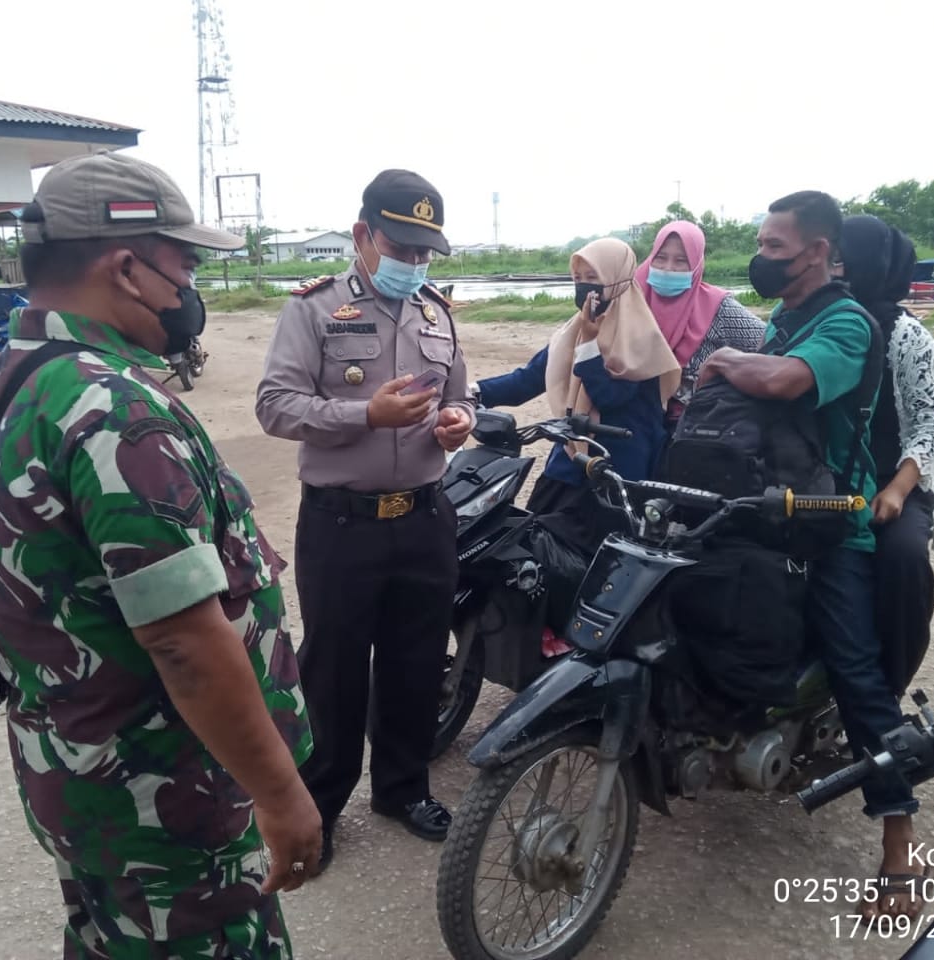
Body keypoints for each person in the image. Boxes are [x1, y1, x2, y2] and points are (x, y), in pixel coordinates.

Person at [0, 152, 320, 959]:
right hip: (166, 803)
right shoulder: (116, 409)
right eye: (182, 264)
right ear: (126, 267)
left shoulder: (3, 378)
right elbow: (184, 643)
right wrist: (282, 792)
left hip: (77, 777)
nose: (189, 290)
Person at [697, 191, 926, 921]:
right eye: (760, 246)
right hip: (774, 508)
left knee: (857, 672)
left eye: (775, 248)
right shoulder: (788, 316)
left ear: (821, 252)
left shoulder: (848, 323)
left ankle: (900, 846)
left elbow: (783, 381)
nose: (762, 259)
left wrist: (728, 354)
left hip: (835, 525)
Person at [255, 169, 475, 872]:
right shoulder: (314, 311)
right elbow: (275, 406)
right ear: (362, 236)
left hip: (422, 517)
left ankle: (403, 789)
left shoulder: (437, 314)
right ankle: (320, 806)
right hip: (341, 524)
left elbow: (461, 399)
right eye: (400, 247)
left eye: (423, 253)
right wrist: (364, 415)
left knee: (416, 664)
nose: (413, 264)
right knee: (335, 671)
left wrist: (455, 424)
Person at [471, 236, 680, 554]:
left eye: (593, 278)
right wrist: (473, 393)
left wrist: (590, 345)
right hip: (570, 461)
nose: (584, 288)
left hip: (618, 477)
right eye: (577, 279)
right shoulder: (574, 331)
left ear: (617, 280)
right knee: (536, 552)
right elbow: (528, 380)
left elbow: (610, 396)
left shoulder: (640, 337)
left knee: (600, 566)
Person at [836, 214, 934, 696]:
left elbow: (931, 423)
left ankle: (890, 690)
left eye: (844, 258)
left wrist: (899, 490)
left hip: (890, 480)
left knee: (902, 559)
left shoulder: (907, 337)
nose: (835, 268)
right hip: (829, 476)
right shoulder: (823, 323)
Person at [634, 219, 766, 426]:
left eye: (681, 261)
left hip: (695, 427)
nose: (669, 268)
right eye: (661, 258)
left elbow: (769, 343)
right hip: (637, 422)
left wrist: (725, 369)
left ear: (696, 264)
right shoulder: (634, 299)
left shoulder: (717, 307)